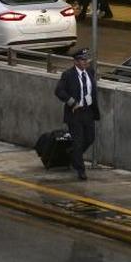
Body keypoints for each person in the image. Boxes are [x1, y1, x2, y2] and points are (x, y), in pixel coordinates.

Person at [54, 49, 101, 180]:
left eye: (86, 59)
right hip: (75, 113)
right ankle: (80, 169)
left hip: (88, 111)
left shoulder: (90, 72)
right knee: (78, 141)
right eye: (82, 60)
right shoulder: (68, 75)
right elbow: (59, 91)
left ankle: (73, 153)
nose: (85, 62)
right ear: (75, 62)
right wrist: (72, 103)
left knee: (90, 138)